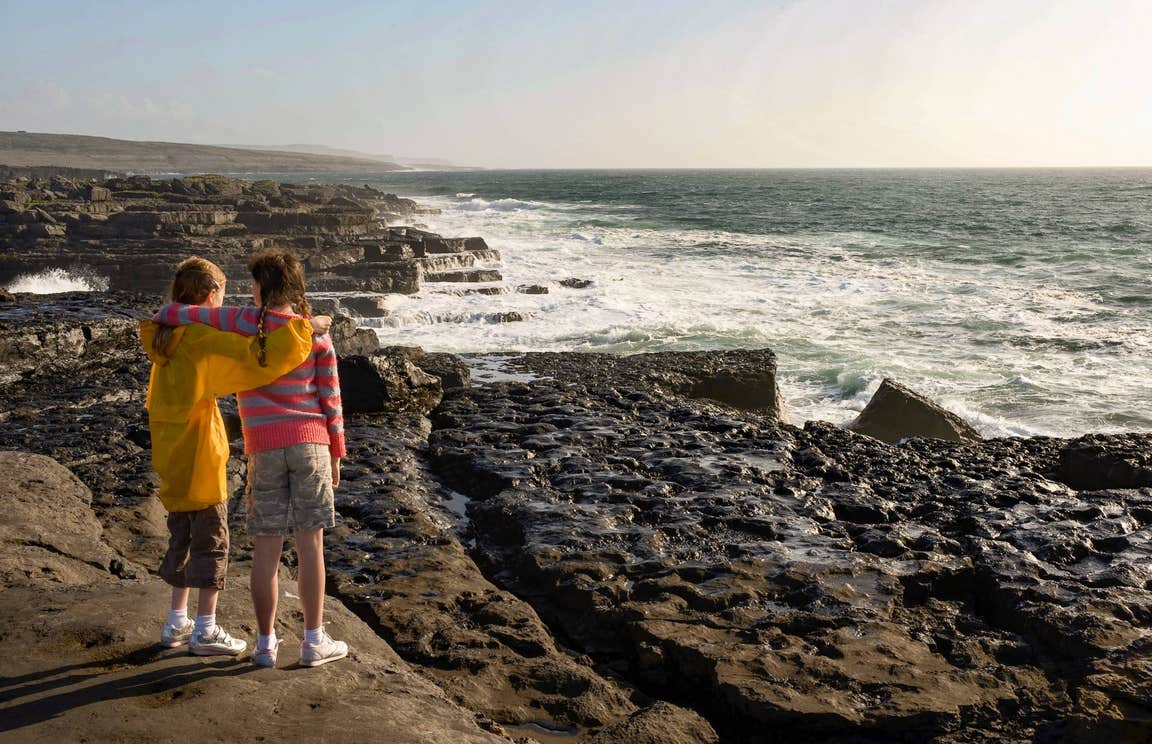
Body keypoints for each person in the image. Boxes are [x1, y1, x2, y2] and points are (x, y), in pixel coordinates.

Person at [151, 249, 348, 669]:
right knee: (311, 545)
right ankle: (314, 641)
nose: (250, 292)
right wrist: (336, 452)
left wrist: (168, 311)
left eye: (254, 285)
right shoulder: (315, 335)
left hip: (263, 445)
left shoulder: (243, 324)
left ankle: (264, 645)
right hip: (311, 441)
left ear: (261, 289)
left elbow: (189, 315)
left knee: (266, 549)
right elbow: (331, 400)